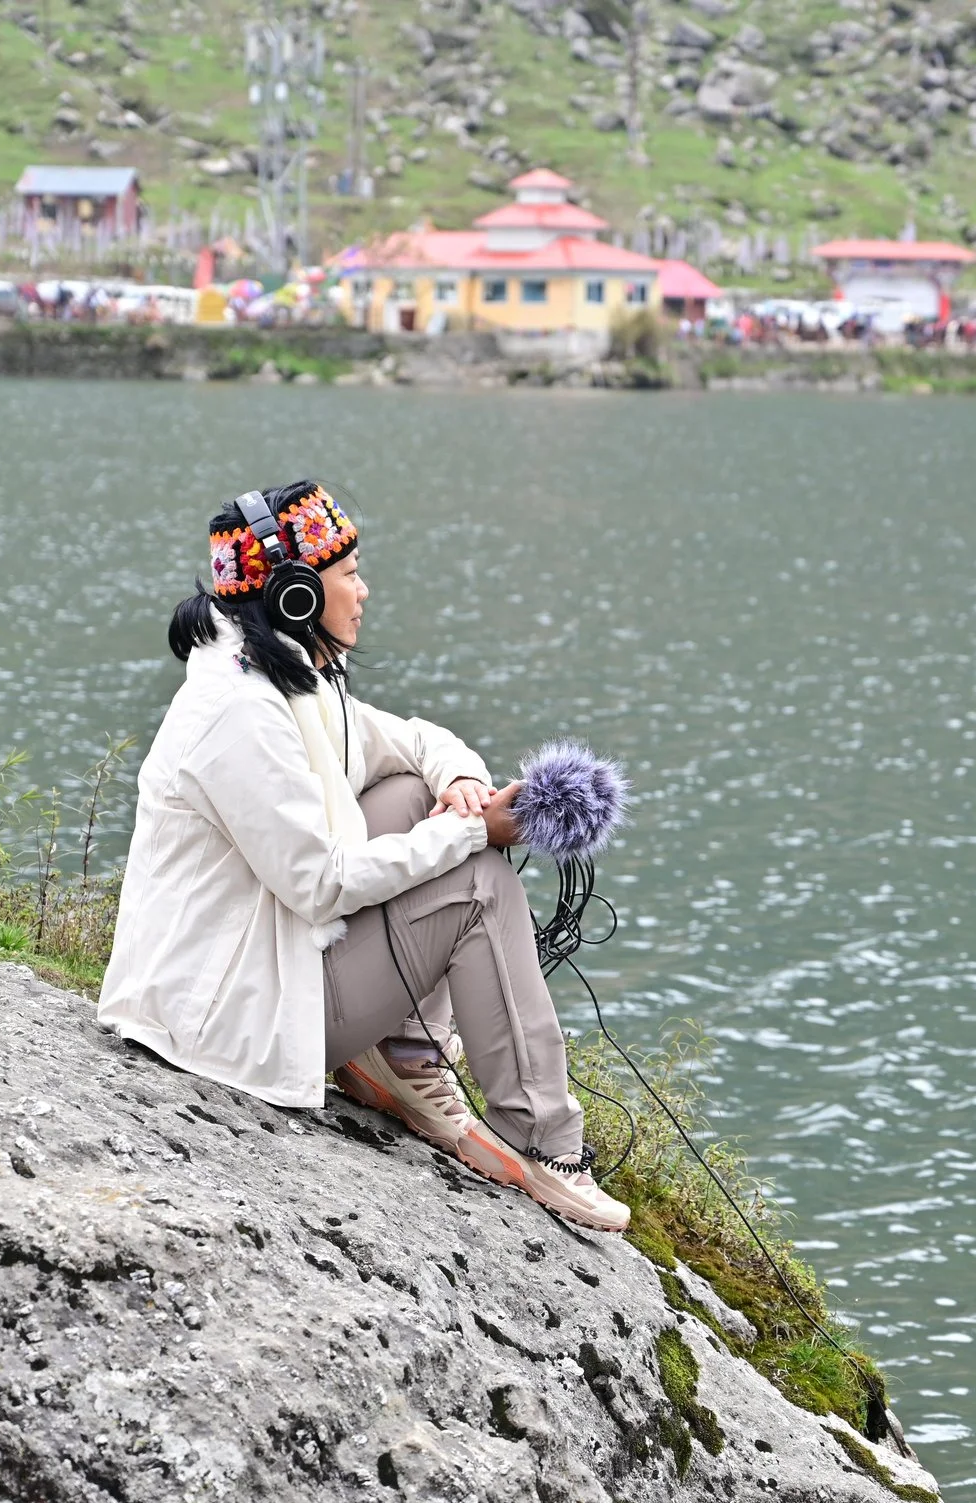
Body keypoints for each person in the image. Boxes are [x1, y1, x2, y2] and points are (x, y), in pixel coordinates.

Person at [98, 481, 628, 1233]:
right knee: (476, 883)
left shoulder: (277, 674)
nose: (364, 590)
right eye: (350, 573)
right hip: (231, 1019)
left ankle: (403, 1055)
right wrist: (475, 834)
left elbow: (406, 739)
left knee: (415, 791)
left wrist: (465, 786)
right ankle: (543, 1141)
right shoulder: (239, 713)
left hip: (267, 970)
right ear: (295, 598)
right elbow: (321, 884)